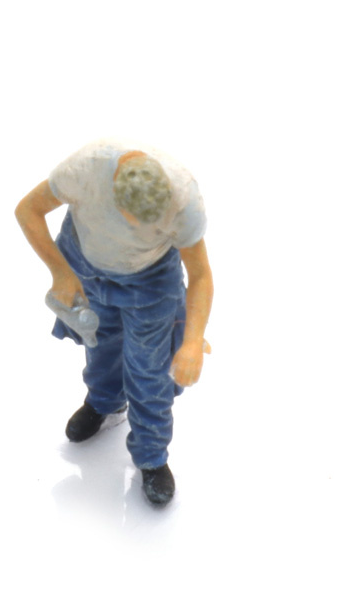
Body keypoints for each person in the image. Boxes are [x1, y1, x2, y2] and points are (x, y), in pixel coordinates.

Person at [15, 140, 214, 504]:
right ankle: (105, 403)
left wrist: (191, 341)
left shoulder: (184, 199)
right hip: (86, 266)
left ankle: (151, 455)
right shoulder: (85, 168)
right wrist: (61, 273)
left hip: (151, 283)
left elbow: (200, 274)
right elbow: (28, 210)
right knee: (99, 343)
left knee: (150, 370)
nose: (142, 230)